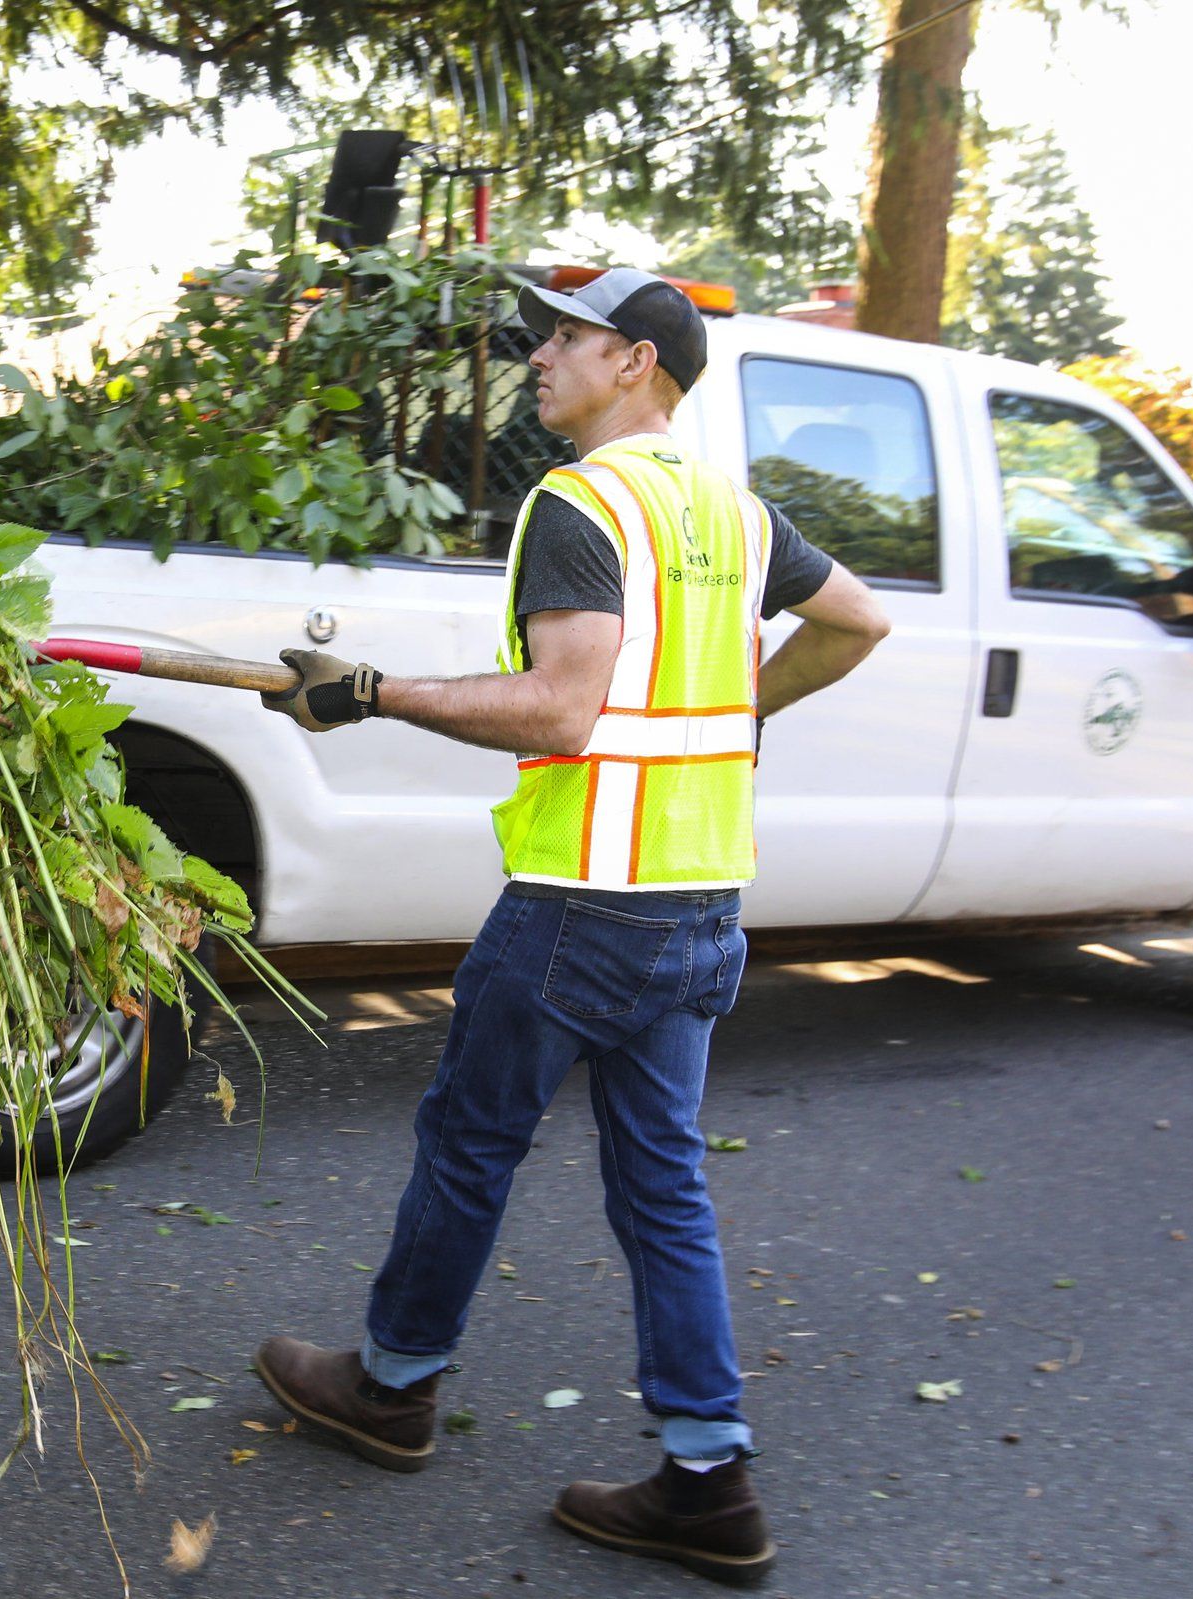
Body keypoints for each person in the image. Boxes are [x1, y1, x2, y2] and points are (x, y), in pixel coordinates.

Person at [250, 267, 892, 1587]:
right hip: (701, 898)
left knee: (471, 1143)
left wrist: (367, 691)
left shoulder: (580, 501)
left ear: (638, 364)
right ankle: (709, 1478)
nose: (539, 354)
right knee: (662, 1180)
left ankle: (392, 1388)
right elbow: (860, 622)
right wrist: (748, 711)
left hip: (581, 902)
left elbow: (560, 712)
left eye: (567, 336)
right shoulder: (733, 512)